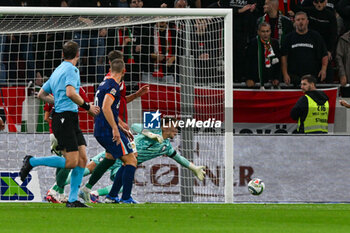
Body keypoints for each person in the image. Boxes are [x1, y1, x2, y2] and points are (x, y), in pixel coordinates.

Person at [19, 41, 100, 208]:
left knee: (83, 158)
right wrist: (87, 106)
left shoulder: (57, 70)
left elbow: (41, 94)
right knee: (71, 162)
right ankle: (32, 161)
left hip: (68, 117)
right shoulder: (72, 70)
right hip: (64, 119)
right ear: (78, 54)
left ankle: (72, 200)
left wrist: (57, 102)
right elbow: (71, 93)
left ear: (63, 55)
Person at [47, 120, 206, 203]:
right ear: (166, 128)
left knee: (124, 184)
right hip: (117, 151)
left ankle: (94, 193)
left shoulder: (166, 147)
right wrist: (149, 134)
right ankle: (55, 189)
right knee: (87, 170)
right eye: (175, 128)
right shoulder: (154, 129)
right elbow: (135, 126)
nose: (177, 131)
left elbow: (180, 158)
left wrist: (194, 168)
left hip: (124, 162)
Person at [80, 59, 138, 204]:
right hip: (107, 130)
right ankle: (126, 198)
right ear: (124, 71)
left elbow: (108, 109)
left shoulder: (103, 84)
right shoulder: (113, 85)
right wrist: (115, 128)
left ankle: (107, 195)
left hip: (100, 129)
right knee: (131, 160)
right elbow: (106, 107)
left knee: (111, 158)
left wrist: (120, 126)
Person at [43, 86, 91, 204]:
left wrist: (55, 125)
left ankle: (60, 193)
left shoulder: (54, 92)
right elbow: (87, 106)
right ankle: (54, 191)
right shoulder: (77, 90)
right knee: (71, 161)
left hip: (53, 132)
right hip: (66, 131)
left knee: (62, 162)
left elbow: (46, 117)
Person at [281, 11, 328, 86]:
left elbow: (324, 54)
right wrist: (285, 74)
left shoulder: (316, 36)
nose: (300, 22)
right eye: (298, 20)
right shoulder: (288, 38)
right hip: (294, 78)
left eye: (303, 19)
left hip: (312, 77)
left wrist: (323, 69)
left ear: (307, 21)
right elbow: (284, 57)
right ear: (295, 22)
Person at [245, 22, 281, 89]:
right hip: (255, 79)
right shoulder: (253, 43)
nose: (265, 34)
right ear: (258, 32)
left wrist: (277, 78)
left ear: (270, 31)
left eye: (267, 31)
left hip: (271, 78)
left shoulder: (275, 43)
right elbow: (248, 62)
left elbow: (278, 63)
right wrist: (248, 78)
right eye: (263, 31)